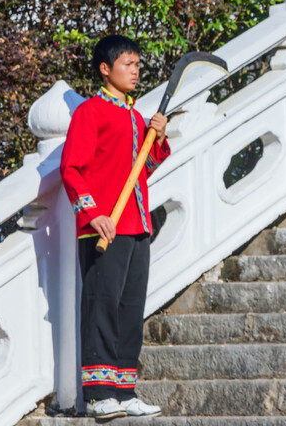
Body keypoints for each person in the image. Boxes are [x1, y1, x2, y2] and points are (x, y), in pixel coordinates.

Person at [60, 35, 171, 420]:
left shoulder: (136, 117)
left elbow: (143, 171)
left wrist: (157, 137)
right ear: (105, 69)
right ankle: (99, 394)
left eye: (138, 64)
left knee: (130, 309)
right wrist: (93, 214)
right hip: (103, 228)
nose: (135, 70)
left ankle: (125, 391)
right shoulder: (90, 112)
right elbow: (71, 168)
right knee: (101, 307)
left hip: (137, 225)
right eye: (127, 63)